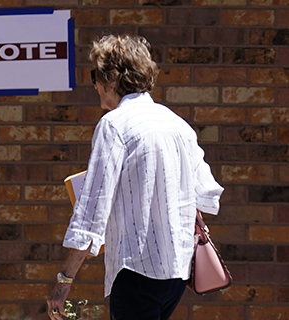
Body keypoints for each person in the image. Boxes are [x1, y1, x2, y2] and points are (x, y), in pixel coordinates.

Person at [46, 34, 224, 320]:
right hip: (177, 270)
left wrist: (63, 281)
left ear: (111, 78)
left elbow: (92, 210)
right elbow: (206, 194)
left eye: (96, 75)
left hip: (136, 269)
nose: (94, 84)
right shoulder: (177, 124)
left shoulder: (114, 126)